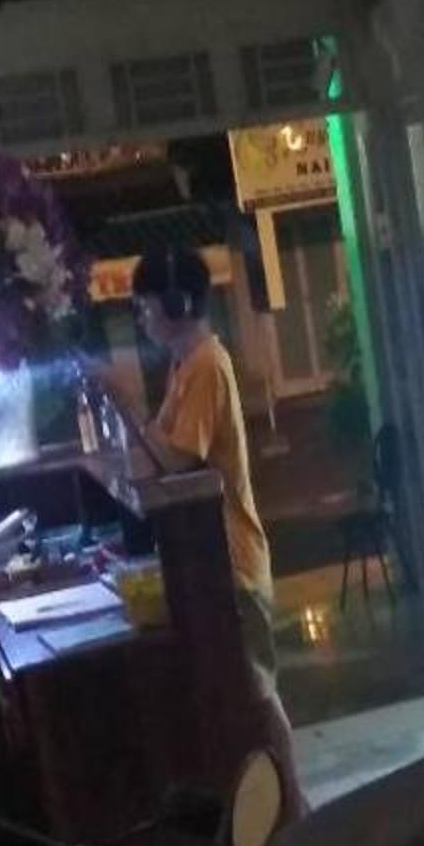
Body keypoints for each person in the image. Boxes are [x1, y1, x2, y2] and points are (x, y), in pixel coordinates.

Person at [123, 242, 303, 817]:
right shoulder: (184, 367)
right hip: (210, 560)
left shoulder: (205, 364)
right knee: (242, 695)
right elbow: (153, 455)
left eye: (145, 306)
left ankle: (295, 806)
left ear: (176, 303)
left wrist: (126, 404)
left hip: (230, 557)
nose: (141, 318)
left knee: (257, 696)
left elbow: (176, 457)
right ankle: (279, 810)